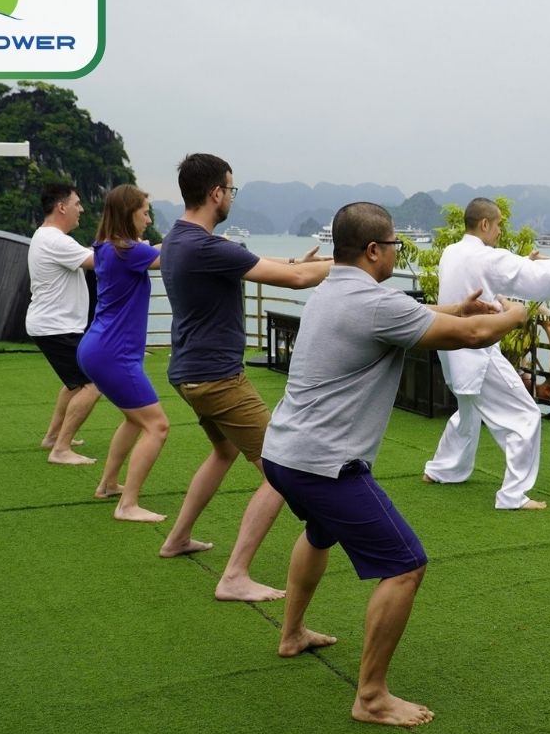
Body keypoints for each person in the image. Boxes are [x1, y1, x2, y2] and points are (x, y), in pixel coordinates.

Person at [261, 201, 527, 727]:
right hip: (325, 464)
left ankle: (291, 634)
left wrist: (457, 309)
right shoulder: (373, 302)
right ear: (374, 250)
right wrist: (518, 311)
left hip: (283, 453)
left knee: (319, 532)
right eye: (397, 246)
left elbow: (413, 320)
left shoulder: (333, 290)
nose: (399, 254)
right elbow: (474, 338)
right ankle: (371, 696)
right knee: (406, 565)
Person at [158, 153, 332, 602]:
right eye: (231, 190)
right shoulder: (206, 246)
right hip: (218, 378)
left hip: (189, 373)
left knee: (223, 452)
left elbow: (258, 262)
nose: (232, 196)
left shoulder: (177, 239)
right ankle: (235, 575)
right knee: (280, 471)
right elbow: (295, 282)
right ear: (216, 193)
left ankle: (177, 537)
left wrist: (297, 260)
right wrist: (349, 264)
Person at [422, 198, 550, 509]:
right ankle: (512, 496)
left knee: (468, 413)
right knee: (525, 415)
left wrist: (524, 260)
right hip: (477, 351)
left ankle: (441, 470)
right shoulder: (486, 257)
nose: (499, 232)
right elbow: (537, 280)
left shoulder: (452, 252)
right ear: (484, 224)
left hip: (451, 348)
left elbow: (488, 276)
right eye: (497, 226)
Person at [76, 185, 169, 522]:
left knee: (135, 419)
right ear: (129, 213)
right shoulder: (128, 251)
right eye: (144, 212)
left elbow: (155, 251)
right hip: (114, 353)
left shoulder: (105, 247)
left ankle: (108, 485)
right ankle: (128, 504)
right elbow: (173, 257)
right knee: (157, 426)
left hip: (97, 347)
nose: (147, 218)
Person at [27, 182, 101, 466]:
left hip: (54, 325)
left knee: (73, 384)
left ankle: (52, 436)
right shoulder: (55, 240)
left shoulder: (46, 237)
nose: (81, 209)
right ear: (62, 207)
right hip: (55, 327)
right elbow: (98, 261)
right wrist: (138, 250)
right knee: (93, 383)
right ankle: (61, 449)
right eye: (77, 203)